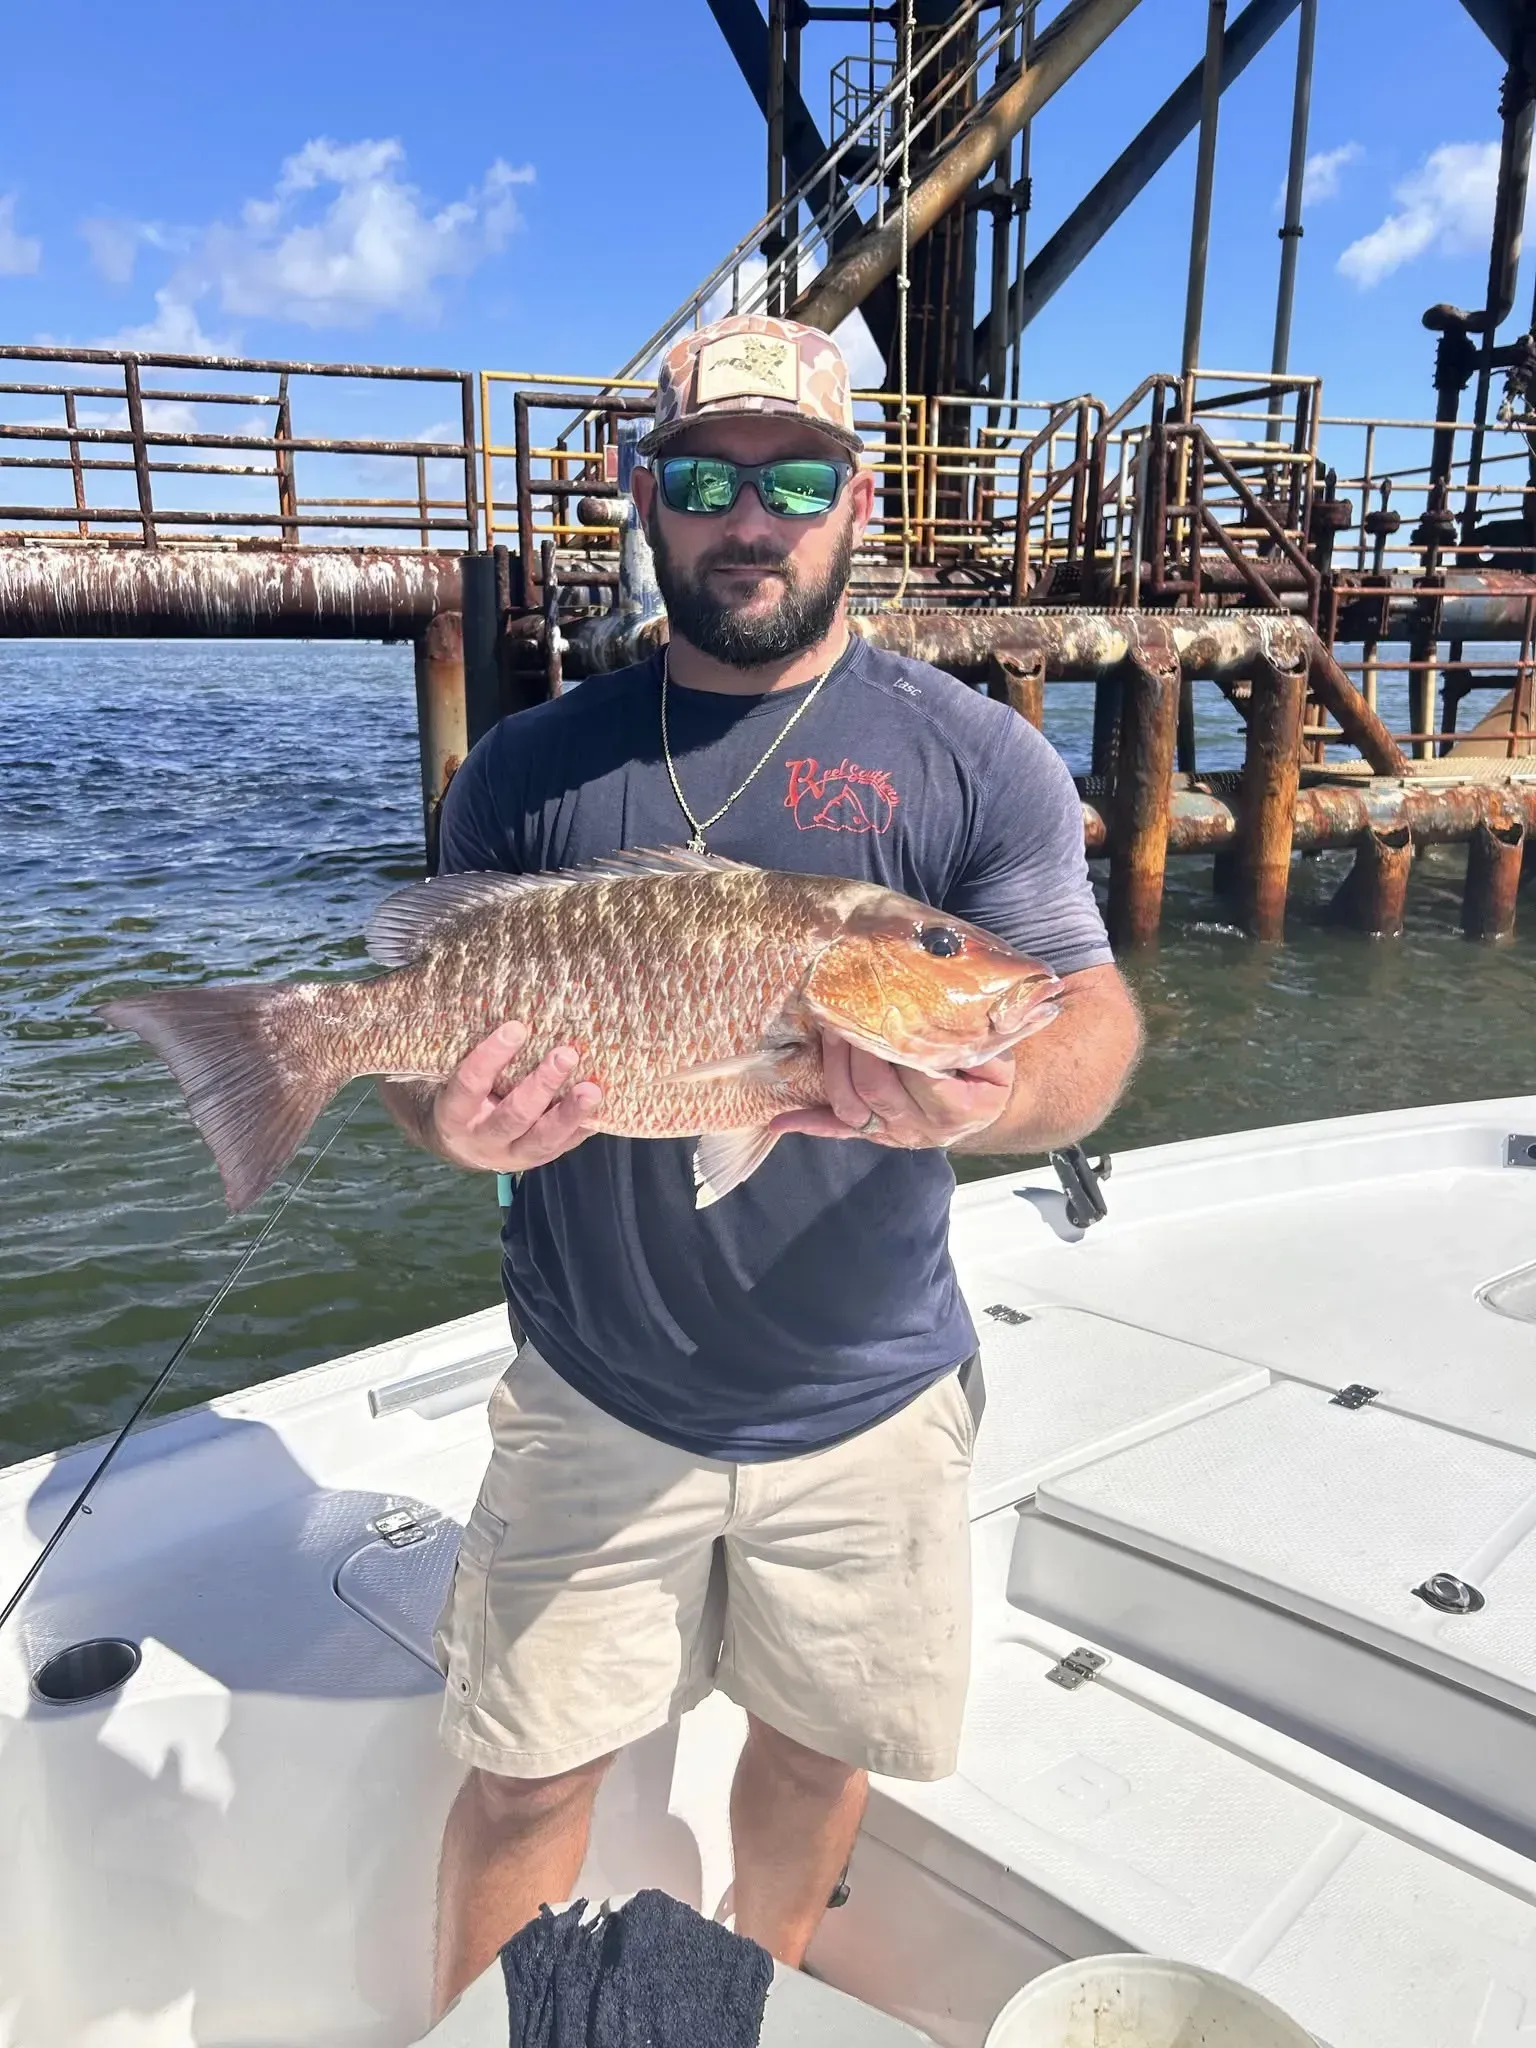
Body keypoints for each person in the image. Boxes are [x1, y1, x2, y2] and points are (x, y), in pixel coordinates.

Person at [378, 313, 1142, 2019]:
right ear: (644, 495)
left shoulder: (976, 755)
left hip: (868, 1402)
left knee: (808, 1764)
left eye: (795, 475)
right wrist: (447, 1123)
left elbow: (1081, 1029)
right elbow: (424, 1060)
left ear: (857, 496)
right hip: (593, 1394)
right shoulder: (526, 767)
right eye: (705, 475)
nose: (752, 514)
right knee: (522, 1780)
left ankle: (763, 2000)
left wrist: (980, 1096)